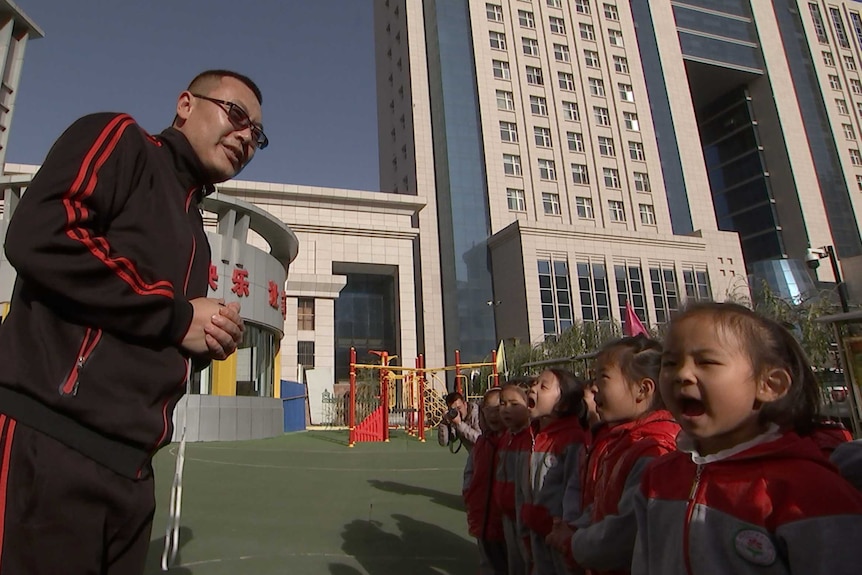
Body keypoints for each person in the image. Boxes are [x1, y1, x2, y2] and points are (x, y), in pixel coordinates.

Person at [0, 69, 266, 575]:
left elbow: (153, 330)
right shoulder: (122, 141)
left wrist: (203, 338)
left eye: (258, 135)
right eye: (236, 116)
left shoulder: (198, 236)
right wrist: (177, 315)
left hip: (132, 477)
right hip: (49, 447)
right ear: (186, 104)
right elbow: (40, 233)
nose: (246, 138)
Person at [632, 302, 862, 574]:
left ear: (769, 385)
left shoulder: (810, 488)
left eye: (706, 361)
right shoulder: (658, 476)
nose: (682, 374)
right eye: (670, 363)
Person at [547, 335, 678, 575]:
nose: (594, 386)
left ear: (643, 389)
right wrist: (576, 527)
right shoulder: (619, 440)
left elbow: (623, 532)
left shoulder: (654, 449)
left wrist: (573, 542)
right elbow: (603, 505)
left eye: (603, 377)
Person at [520, 369, 589, 574]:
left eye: (543, 386)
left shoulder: (571, 439)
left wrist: (566, 526)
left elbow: (574, 489)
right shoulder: (533, 434)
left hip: (559, 534)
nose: (533, 388)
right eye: (534, 383)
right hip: (535, 528)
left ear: (563, 404)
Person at [464, 387, 508, 575]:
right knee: (487, 562)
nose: (493, 415)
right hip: (482, 514)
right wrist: (469, 495)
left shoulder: (512, 441)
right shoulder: (482, 443)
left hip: (505, 517)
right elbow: (470, 473)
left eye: (498, 408)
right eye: (488, 409)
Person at [494, 379, 534, 575]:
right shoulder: (506, 437)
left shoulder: (531, 439)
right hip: (507, 514)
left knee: (529, 561)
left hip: (525, 516)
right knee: (515, 563)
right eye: (502, 403)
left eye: (514, 404)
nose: (505, 409)